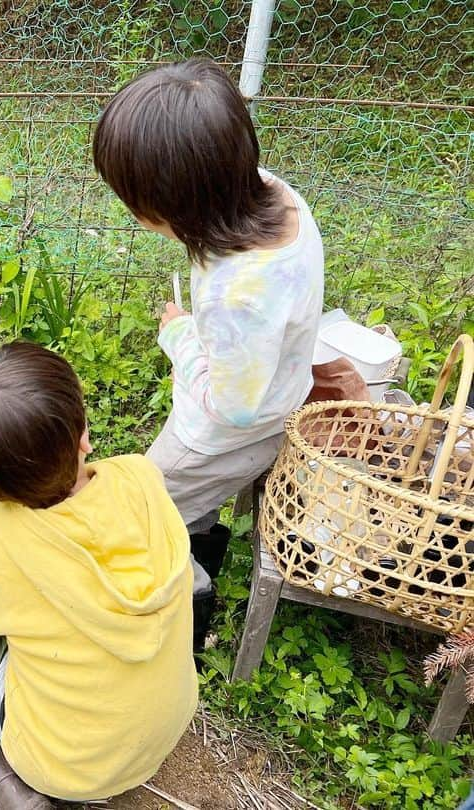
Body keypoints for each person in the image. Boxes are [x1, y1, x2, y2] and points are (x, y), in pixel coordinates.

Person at [0, 342, 197, 807]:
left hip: (65, 768)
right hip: (162, 732)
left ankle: (8, 793)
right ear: (83, 438)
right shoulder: (141, 478)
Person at [92, 57, 325, 633]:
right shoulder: (276, 195)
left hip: (225, 433)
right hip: (277, 393)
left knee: (141, 508)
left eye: (136, 202)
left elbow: (234, 404)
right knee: (188, 500)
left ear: (178, 208)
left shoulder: (236, 296)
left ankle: (185, 599)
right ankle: (201, 539)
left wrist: (179, 335)